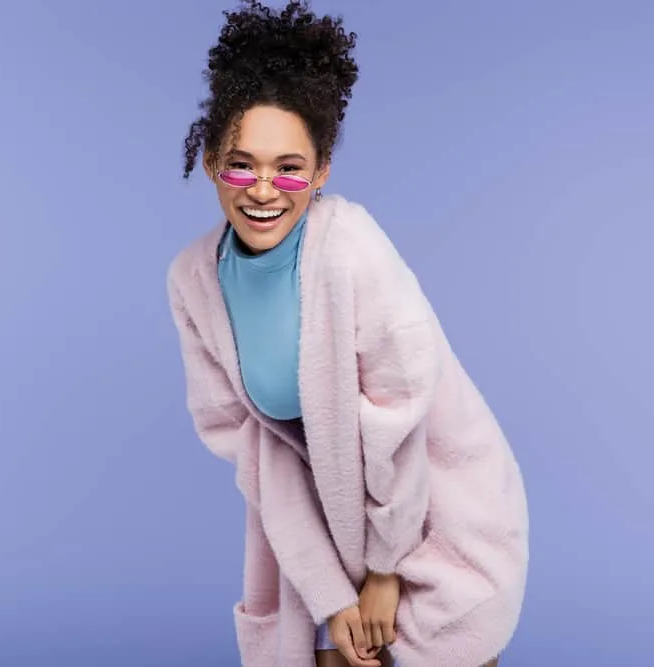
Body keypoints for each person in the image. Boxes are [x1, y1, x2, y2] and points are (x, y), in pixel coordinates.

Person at [167, 2, 529, 666]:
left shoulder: (351, 250)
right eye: (241, 165)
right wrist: (334, 594)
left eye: (290, 167)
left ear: (323, 169)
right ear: (213, 161)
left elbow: (399, 422)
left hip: (435, 517)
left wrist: (386, 571)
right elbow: (257, 453)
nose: (264, 190)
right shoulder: (193, 280)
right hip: (333, 534)